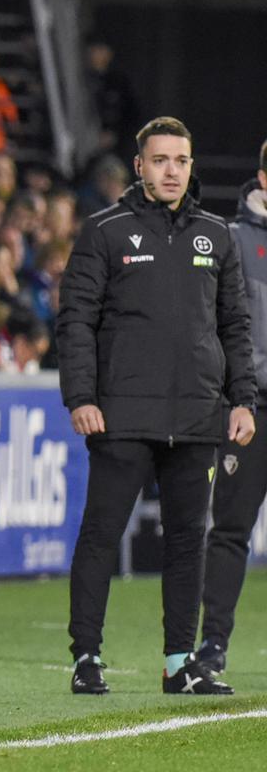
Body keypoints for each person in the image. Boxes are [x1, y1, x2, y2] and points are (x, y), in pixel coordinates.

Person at [56, 116, 255, 697]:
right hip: (122, 415)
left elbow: (234, 326)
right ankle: (86, 657)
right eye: (161, 160)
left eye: (181, 161)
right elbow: (76, 321)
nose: (172, 171)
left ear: (192, 167)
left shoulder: (216, 236)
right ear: (139, 165)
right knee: (101, 535)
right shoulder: (105, 231)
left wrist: (242, 400)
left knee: (188, 543)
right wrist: (81, 397)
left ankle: (178, 664)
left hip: (196, 416)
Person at [197, 137, 267, 676]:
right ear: (263, 179)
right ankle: (213, 643)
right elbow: (217, 325)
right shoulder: (232, 240)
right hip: (252, 406)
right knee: (231, 529)